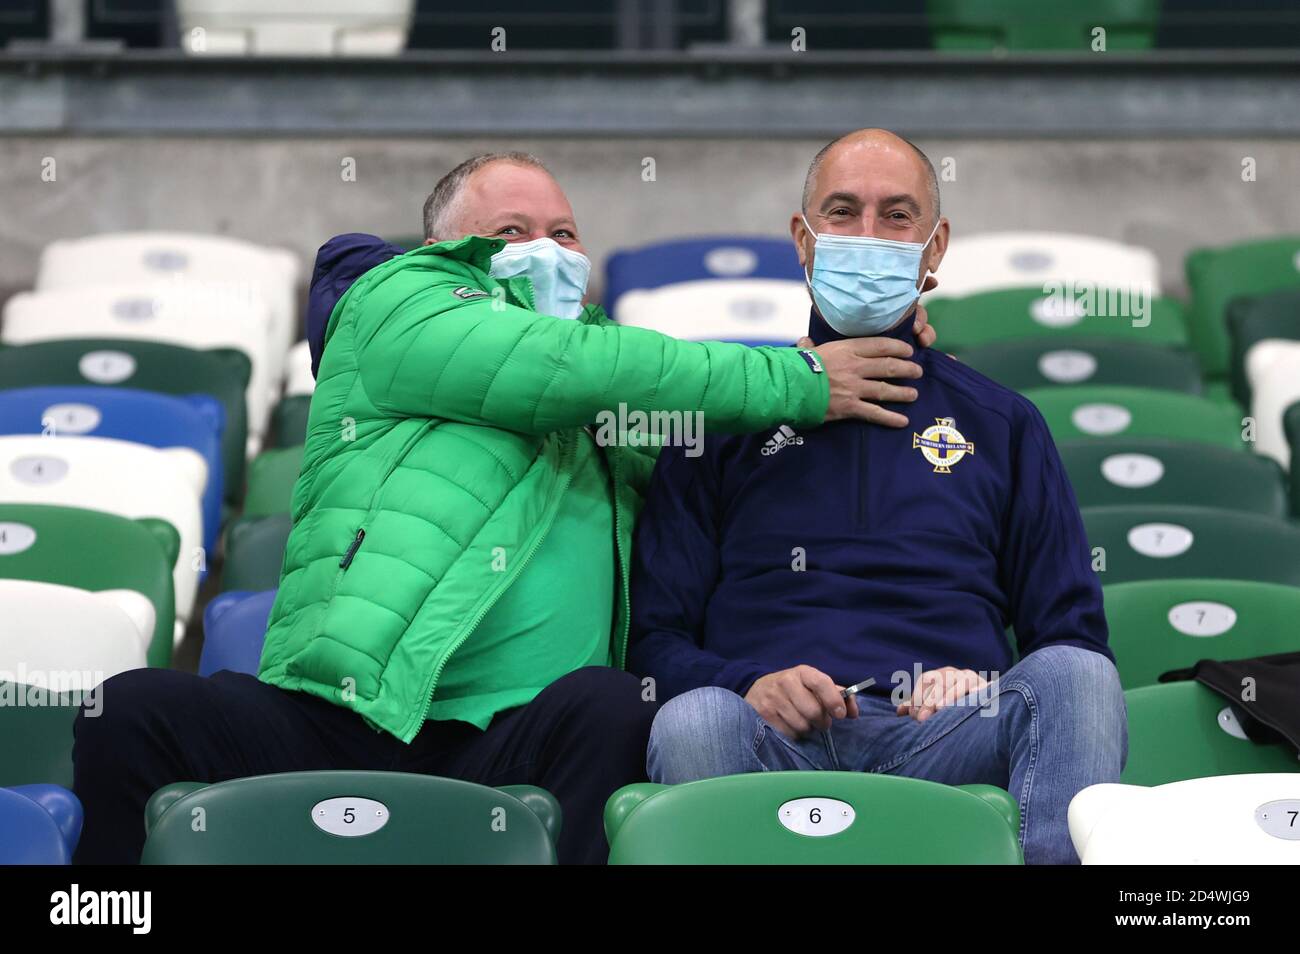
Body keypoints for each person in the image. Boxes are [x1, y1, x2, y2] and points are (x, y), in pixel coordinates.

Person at [73, 151, 939, 865]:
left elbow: (709, 452)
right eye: (512, 233)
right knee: (133, 711)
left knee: (615, 708)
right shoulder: (394, 304)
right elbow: (547, 364)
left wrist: (880, 343)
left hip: (516, 736)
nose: (548, 250)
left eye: (566, 233)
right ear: (444, 251)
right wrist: (795, 377)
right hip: (346, 712)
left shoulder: (616, 377)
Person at [628, 129, 1127, 865]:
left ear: (935, 247)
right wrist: (749, 685)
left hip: (948, 741)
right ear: (802, 240)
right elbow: (652, 645)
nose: (868, 236)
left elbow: (1073, 637)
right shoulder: (718, 422)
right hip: (771, 744)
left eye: (897, 216)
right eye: (842, 212)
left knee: (1079, 680)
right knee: (693, 721)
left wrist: (982, 683)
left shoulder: (1005, 423)